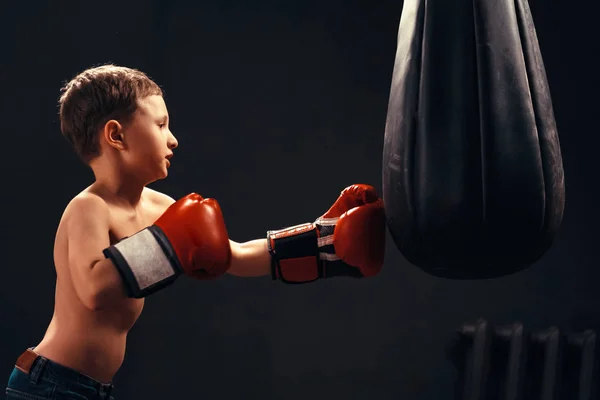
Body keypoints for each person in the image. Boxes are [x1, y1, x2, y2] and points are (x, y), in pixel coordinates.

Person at [5, 64, 386, 400]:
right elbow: (93, 289)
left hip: (93, 389)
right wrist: (168, 242)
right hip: (48, 384)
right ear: (116, 136)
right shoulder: (89, 207)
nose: (173, 139)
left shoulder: (162, 208)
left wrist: (323, 242)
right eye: (160, 125)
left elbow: (231, 256)